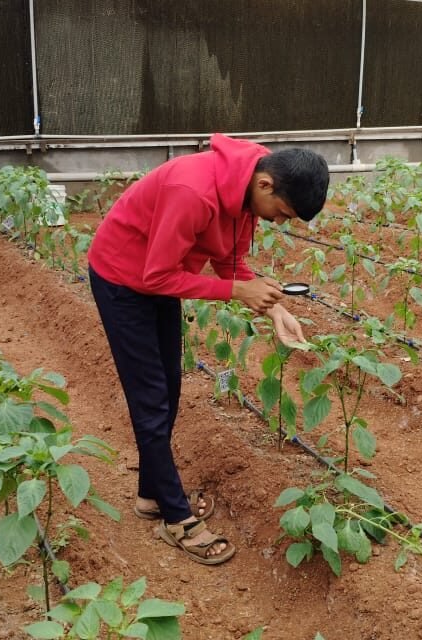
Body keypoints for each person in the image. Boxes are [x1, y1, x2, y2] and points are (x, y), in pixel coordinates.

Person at [88, 133, 329, 565]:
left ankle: (151, 496)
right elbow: (156, 276)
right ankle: (177, 518)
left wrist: (276, 311)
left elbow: (230, 261)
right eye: (283, 214)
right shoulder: (194, 192)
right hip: (123, 279)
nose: (279, 222)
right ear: (267, 186)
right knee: (150, 402)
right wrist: (237, 291)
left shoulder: (248, 186)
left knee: (169, 390)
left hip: (158, 276)